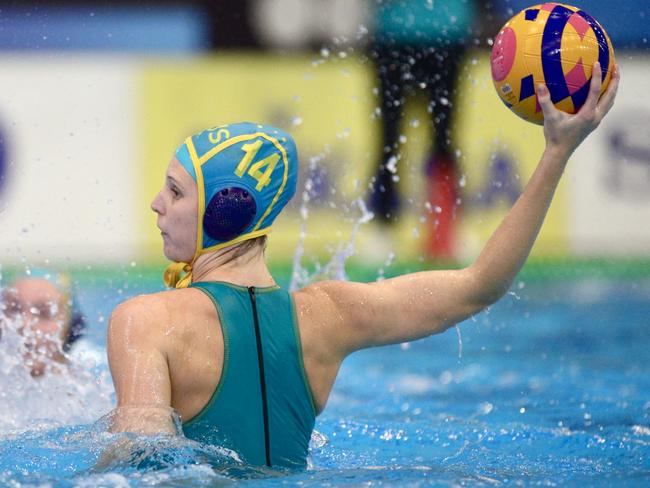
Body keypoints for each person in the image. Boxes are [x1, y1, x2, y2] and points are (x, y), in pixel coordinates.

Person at [107, 64, 619, 469]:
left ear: (228, 210)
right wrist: (556, 151)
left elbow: (141, 462)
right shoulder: (331, 315)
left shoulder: (146, 321)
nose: (156, 203)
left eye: (175, 190)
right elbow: (481, 285)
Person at [367, 0, 480, 259]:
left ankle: (448, 229)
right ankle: (382, 227)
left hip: (447, 33)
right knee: (389, 140)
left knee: (444, 138)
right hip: (394, 35)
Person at [0, 270, 86, 377]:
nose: (24, 324)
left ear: (69, 329)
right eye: (14, 309)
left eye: (44, 313)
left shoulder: (86, 388)